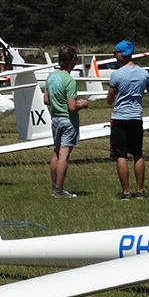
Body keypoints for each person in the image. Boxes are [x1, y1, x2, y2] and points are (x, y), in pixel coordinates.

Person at [107, 40, 149, 200]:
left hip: (120, 117)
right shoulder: (144, 73)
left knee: (121, 155)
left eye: (116, 53)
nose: (115, 56)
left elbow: (110, 99)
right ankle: (140, 191)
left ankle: (126, 192)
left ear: (123, 54)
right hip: (136, 117)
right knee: (137, 154)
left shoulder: (116, 74)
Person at [46, 46, 90, 198]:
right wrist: (82, 104)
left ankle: (54, 186)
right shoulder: (69, 81)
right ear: (72, 60)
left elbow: (46, 100)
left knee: (56, 153)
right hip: (67, 121)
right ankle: (59, 189)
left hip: (55, 118)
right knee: (64, 154)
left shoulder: (51, 77)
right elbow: (72, 107)